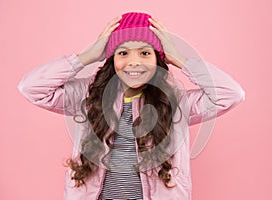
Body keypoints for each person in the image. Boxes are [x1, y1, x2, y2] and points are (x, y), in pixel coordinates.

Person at [18, 12, 245, 200]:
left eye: (145, 53)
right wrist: (86, 57)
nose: (134, 61)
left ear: (158, 60)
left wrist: (180, 58)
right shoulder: (87, 95)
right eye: (123, 53)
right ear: (111, 59)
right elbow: (31, 87)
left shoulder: (175, 102)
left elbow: (231, 94)